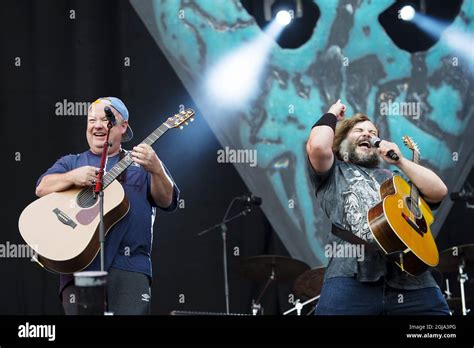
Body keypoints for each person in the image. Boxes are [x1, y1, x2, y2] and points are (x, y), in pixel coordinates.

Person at [35, 97, 179, 315]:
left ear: (123, 127)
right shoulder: (72, 162)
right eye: (92, 120)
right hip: (80, 266)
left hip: (129, 267)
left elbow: (167, 201)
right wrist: (73, 177)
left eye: (106, 119)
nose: (98, 125)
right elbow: (42, 188)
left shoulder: (142, 163)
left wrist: (157, 168)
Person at [306, 99, 450, 315]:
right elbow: (317, 146)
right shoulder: (334, 171)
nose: (368, 135)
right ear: (341, 141)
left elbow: (438, 191)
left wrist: (400, 161)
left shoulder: (395, 177)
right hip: (350, 276)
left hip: (412, 279)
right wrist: (332, 114)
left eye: (373, 132)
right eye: (359, 130)